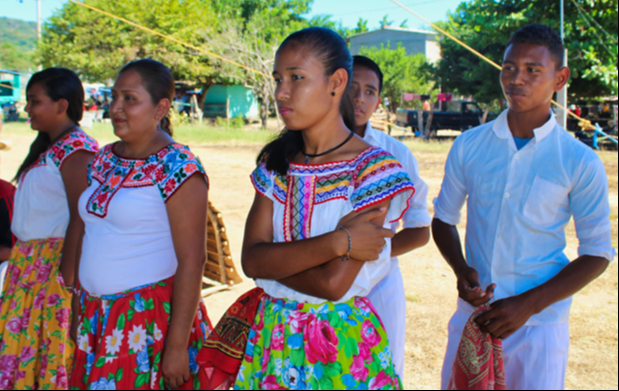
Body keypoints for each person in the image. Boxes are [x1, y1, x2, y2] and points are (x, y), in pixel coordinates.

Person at [228, 27, 414, 390]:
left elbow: (333, 285)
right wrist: (337, 242)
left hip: (339, 347)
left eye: (297, 78)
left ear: (336, 82)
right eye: (278, 79)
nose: (281, 91)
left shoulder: (374, 171)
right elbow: (250, 261)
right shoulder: (275, 163)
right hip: (272, 340)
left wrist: (272, 267)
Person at [433, 24, 615, 390]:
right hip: (475, 319)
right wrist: (461, 268)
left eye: (533, 70)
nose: (517, 79)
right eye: (509, 67)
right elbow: (443, 220)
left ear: (559, 78)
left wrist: (529, 304)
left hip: (540, 328)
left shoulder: (578, 160)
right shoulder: (470, 145)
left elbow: (597, 253)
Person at [69, 59, 213, 391]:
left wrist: (176, 347)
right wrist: (79, 303)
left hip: (146, 322)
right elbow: (91, 232)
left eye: (129, 98)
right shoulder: (105, 157)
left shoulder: (178, 165)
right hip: (97, 317)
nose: (115, 108)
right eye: (113, 96)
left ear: (161, 107)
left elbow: (194, 259)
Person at [0, 68, 99, 390]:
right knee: (28, 348)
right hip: (30, 266)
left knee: (50, 350)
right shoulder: (51, 147)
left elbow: (81, 218)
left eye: (34, 101)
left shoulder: (77, 150)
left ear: (61, 105)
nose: (27, 108)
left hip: (52, 269)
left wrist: (67, 284)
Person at [349, 55, 431, 380]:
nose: (359, 98)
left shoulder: (395, 155)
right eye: (352, 88)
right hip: (317, 285)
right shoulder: (304, 151)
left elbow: (420, 230)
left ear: (378, 101)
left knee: (379, 374)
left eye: (369, 91)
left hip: (379, 286)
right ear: (334, 86)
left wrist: (370, 252)